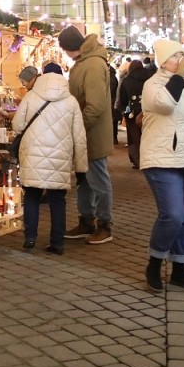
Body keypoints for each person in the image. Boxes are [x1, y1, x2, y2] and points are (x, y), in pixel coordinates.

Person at [139, 39, 184, 292]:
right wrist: (179, 77)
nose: (181, 59)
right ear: (163, 61)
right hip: (163, 159)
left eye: (182, 54)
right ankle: (154, 264)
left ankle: (180, 269)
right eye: (175, 55)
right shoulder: (153, 85)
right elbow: (166, 104)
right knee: (173, 215)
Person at [14, 61, 88, 254]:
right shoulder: (71, 101)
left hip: (33, 154)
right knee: (57, 200)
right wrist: (81, 168)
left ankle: (30, 238)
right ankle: (57, 243)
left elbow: (17, 125)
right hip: (60, 157)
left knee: (31, 196)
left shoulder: (31, 96)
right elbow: (79, 137)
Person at [57, 24, 116, 244]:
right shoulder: (85, 63)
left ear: (69, 47)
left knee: (98, 180)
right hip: (85, 134)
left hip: (92, 134)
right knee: (84, 180)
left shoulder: (92, 65)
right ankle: (86, 220)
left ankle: (104, 224)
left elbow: (95, 105)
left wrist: (78, 127)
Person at [116, 59, 150, 169]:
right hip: (148, 111)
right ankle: (148, 160)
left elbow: (123, 98)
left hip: (132, 112)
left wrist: (123, 110)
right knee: (147, 136)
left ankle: (137, 160)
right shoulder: (150, 78)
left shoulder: (127, 80)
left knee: (134, 137)